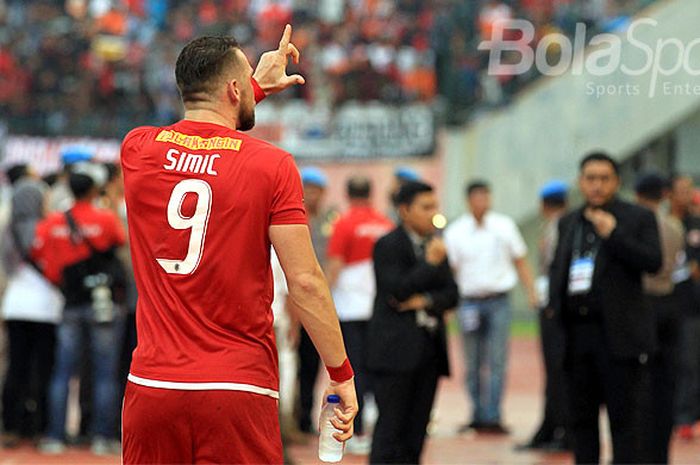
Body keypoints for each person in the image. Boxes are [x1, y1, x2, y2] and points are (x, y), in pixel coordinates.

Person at [119, 27, 358, 465]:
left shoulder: (138, 149)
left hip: (153, 386)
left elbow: (203, 140)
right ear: (234, 88)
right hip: (236, 387)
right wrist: (340, 373)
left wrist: (251, 88)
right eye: (246, 77)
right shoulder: (272, 165)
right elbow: (304, 280)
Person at [548, 152, 661, 464]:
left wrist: (614, 235)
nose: (596, 185)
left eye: (604, 178)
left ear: (616, 182)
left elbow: (653, 262)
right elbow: (561, 269)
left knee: (625, 424)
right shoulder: (570, 221)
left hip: (618, 339)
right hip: (577, 336)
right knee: (581, 424)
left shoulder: (637, 217)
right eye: (590, 178)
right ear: (580, 182)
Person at [33, 163, 126, 455]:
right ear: (93, 190)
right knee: (104, 373)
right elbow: (121, 243)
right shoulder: (106, 219)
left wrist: (62, 282)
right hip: (103, 303)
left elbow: (41, 257)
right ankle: (101, 438)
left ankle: (55, 437)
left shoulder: (52, 223)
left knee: (62, 372)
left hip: (70, 304)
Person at [367, 181, 458, 464]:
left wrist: (426, 300)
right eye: (426, 207)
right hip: (394, 353)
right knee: (390, 430)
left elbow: (452, 294)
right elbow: (396, 290)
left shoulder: (436, 245)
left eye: (435, 206)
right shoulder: (387, 245)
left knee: (416, 432)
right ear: (404, 210)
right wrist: (429, 266)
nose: (433, 213)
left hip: (428, 352)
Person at [444, 179, 537, 434]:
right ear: (469, 200)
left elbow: (520, 260)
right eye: (477, 197)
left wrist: (531, 291)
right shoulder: (456, 232)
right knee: (472, 362)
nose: (482, 202)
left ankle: (493, 415)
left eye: (486, 197)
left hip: (498, 301)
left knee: (497, 360)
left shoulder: (504, 226)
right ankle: (476, 413)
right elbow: (450, 271)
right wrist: (447, 304)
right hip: (469, 303)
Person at [325, 176, 393, 453]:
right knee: (377, 367)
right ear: (371, 191)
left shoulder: (343, 223)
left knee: (355, 370)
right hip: (378, 309)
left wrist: (324, 300)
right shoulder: (385, 224)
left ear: (347, 193)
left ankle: (359, 430)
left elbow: (336, 265)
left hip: (350, 308)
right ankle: (380, 428)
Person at [1, 164, 63, 447]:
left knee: (16, 367)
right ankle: (37, 426)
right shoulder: (49, 227)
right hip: (45, 306)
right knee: (43, 369)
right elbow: (56, 266)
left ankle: (10, 425)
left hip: (15, 304)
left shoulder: (7, 228)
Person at [635, 172, 684, 464]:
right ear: (663, 194)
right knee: (665, 383)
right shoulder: (674, 225)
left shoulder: (637, 224)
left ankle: (638, 452)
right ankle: (660, 455)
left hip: (643, 303)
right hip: (669, 301)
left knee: (638, 385)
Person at [519, 180, 570, 451]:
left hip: (555, 308)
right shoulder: (557, 226)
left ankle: (561, 428)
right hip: (554, 304)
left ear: (542, 204)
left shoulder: (559, 228)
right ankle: (552, 426)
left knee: (558, 369)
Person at [295, 166, 334, 436]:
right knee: (291, 362)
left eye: (316, 190)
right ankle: (294, 416)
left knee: (312, 362)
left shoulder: (332, 221)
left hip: (319, 300)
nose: (311, 195)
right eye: (306, 189)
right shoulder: (293, 216)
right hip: (294, 300)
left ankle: (305, 415)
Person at [669, 174, 700, 439]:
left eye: (690, 189)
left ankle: (687, 416)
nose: (687, 195)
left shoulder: (695, 224)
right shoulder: (661, 224)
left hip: (691, 305)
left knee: (690, 361)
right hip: (664, 303)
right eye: (681, 190)